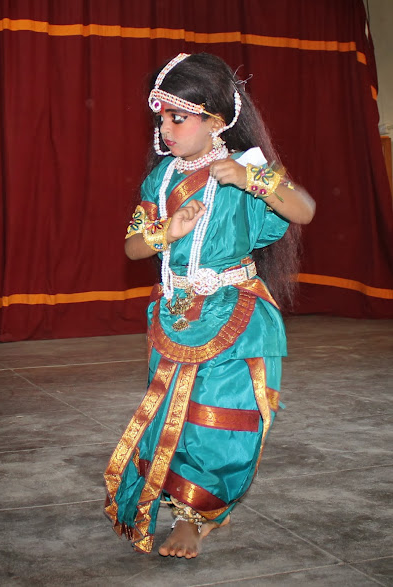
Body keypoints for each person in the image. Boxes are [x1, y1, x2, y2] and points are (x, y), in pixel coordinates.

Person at [104, 52, 315, 559]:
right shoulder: (161, 178)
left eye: (178, 118)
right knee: (172, 418)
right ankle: (176, 499)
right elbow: (132, 247)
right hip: (176, 314)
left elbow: (304, 209)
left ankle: (192, 518)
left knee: (216, 416)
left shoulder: (245, 167)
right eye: (162, 119)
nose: (166, 130)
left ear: (216, 120)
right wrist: (167, 232)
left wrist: (250, 179)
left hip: (235, 316)